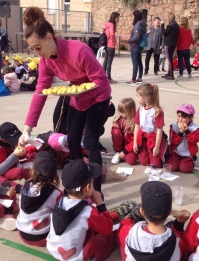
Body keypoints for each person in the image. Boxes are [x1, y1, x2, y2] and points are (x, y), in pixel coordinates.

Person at [19, 7, 111, 193]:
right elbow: (40, 93)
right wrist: (27, 128)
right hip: (77, 97)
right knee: (73, 139)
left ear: (50, 38)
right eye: (32, 49)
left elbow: (101, 81)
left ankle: (96, 191)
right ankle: (79, 182)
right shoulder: (46, 61)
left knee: (91, 141)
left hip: (98, 97)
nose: (36, 53)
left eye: (38, 47)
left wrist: (79, 93)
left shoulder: (79, 50)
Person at [46, 160, 116, 261]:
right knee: (111, 235)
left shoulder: (60, 202)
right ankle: (121, 218)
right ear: (88, 187)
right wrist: (100, 204)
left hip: (55, 251)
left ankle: (113, 215)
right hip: (80, 257)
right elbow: (108, 228)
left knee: (89, 225)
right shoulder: (88, 211)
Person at [118, 181, 190, 261]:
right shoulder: (177, 240)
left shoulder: (129, 232)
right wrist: (179, 224)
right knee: (172, 224)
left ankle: (133, 216)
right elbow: (182, 250)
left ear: (142, 212)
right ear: (170, 212)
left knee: (123, 236)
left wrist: (129, 219)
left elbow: (123, 226)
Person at [15, 151, 63, 247]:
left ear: (33, 169)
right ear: (54, 172)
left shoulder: (25, 187)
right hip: (42, 237)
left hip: (22, 233)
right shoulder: (56, 193)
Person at [133, 84, 167, 167]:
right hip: (144, 139)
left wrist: (157, 147)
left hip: (153, 140)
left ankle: (165, 149)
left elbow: (159, 130)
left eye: (138, 96)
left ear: (146, 98)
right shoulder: (140, 109)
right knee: (144, 162)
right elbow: (137, 126)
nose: (137, 99)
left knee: (156, 165)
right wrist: (135, 143)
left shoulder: (157, 111)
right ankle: (146, 152)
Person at [166, 103, 199, 173]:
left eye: (183, 117)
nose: (180, 119)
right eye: (179, 116)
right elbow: (173, 141)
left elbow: (195, 140)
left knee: (184, 169)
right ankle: (176, 160)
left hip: (187, 153)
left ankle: (190, 160)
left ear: (190, 118)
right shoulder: (174, 126)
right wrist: (180, 133)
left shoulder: (194, 128)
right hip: (176, 152)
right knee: (171, 167)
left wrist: (187, 131)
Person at [111, 98, 136, 165]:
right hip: (121, 145)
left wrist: (125, 151)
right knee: (115, 131)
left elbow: (136, 140)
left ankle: (123, 155)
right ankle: (118, 152)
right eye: (120, 112)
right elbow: (115, 135)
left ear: (131, 111)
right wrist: (115, 126)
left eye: (123, 112)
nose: (121, 114)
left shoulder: (136, 123)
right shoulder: (119, 120)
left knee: (131, 161)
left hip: (130, 146)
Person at [127, 10, 146, 84]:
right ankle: (140, 77)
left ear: (136, 16)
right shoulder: (142, 24)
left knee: (135, 63)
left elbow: (137, 37)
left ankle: (133, 79)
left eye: (133, 16)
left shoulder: (138, 24)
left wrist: (129, 40)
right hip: (140, 45)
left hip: (135, 45)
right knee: (139, 62)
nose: (132, 17)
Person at [161, 13, 180, 80]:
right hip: (173, 43)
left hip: (169, 44)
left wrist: (162, 25)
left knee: (169, 60)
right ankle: (169, 73)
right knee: (170, 59)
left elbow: (164, 33)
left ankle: (171, 75)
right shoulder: (177, 26)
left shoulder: (170, 26)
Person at [103, 12, 120, 83]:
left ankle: (103, 77)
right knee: (109, 62)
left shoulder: (107, 24)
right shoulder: (112, 25)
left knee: (106, 61)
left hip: (107, 45)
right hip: (111, 45)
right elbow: (112, 34)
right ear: (115, 17)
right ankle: (109, 78)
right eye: (118, 17)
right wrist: (114, 40)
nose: (119, 19)